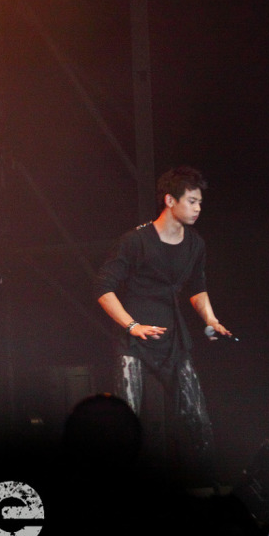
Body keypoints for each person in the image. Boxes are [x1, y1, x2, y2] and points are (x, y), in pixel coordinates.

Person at [94, 165, 230, 468]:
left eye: (200, 202)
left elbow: (197, 287)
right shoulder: (135, 241)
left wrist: (211, 320)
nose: (198, 208)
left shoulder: (195, 243)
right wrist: (132, 325)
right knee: (126, 418)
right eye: (191, 201)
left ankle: (209, 481)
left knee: (197, 417)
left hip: (172, 338)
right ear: (170, 200)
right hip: (134, 340)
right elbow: (103, 288)